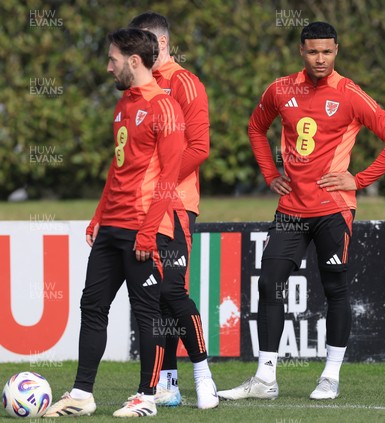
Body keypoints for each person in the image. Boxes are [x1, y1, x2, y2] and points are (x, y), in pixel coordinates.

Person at [218, 21, 385, 401]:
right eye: (312, 51)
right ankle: (265, 379)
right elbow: (256, 128)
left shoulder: (351, 94)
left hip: (332, 210)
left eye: (326, 51)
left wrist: (358, 180)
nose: (319, 58)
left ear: (336, 50)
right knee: (268, 283)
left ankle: (330, 376)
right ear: (300, 51)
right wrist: (270, 173)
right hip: (291, 208)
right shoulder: (280, 89)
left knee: (334, 289)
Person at [45, 28, 186, 418]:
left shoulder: (165, 107)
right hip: (112, 226)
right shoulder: (124, 104)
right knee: (92, 306)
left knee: (147, 314)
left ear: (134, 61)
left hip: (145, 228)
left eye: (112, 60)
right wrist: (98, 216)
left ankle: (146, 397)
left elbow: (170, 177)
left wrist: (148, 230)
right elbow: (118, 167)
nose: (108, 67)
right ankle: (81, 394)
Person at [128, 12, 217, 410]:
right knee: (154, 298)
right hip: (141, 208)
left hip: (176, 203)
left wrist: (157, 180)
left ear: (161, 43)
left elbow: (198, 148)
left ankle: (204, 377)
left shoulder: (184, 83)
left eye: (141, 43)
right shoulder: (138, 88)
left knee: (172, 291)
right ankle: (169, 384)